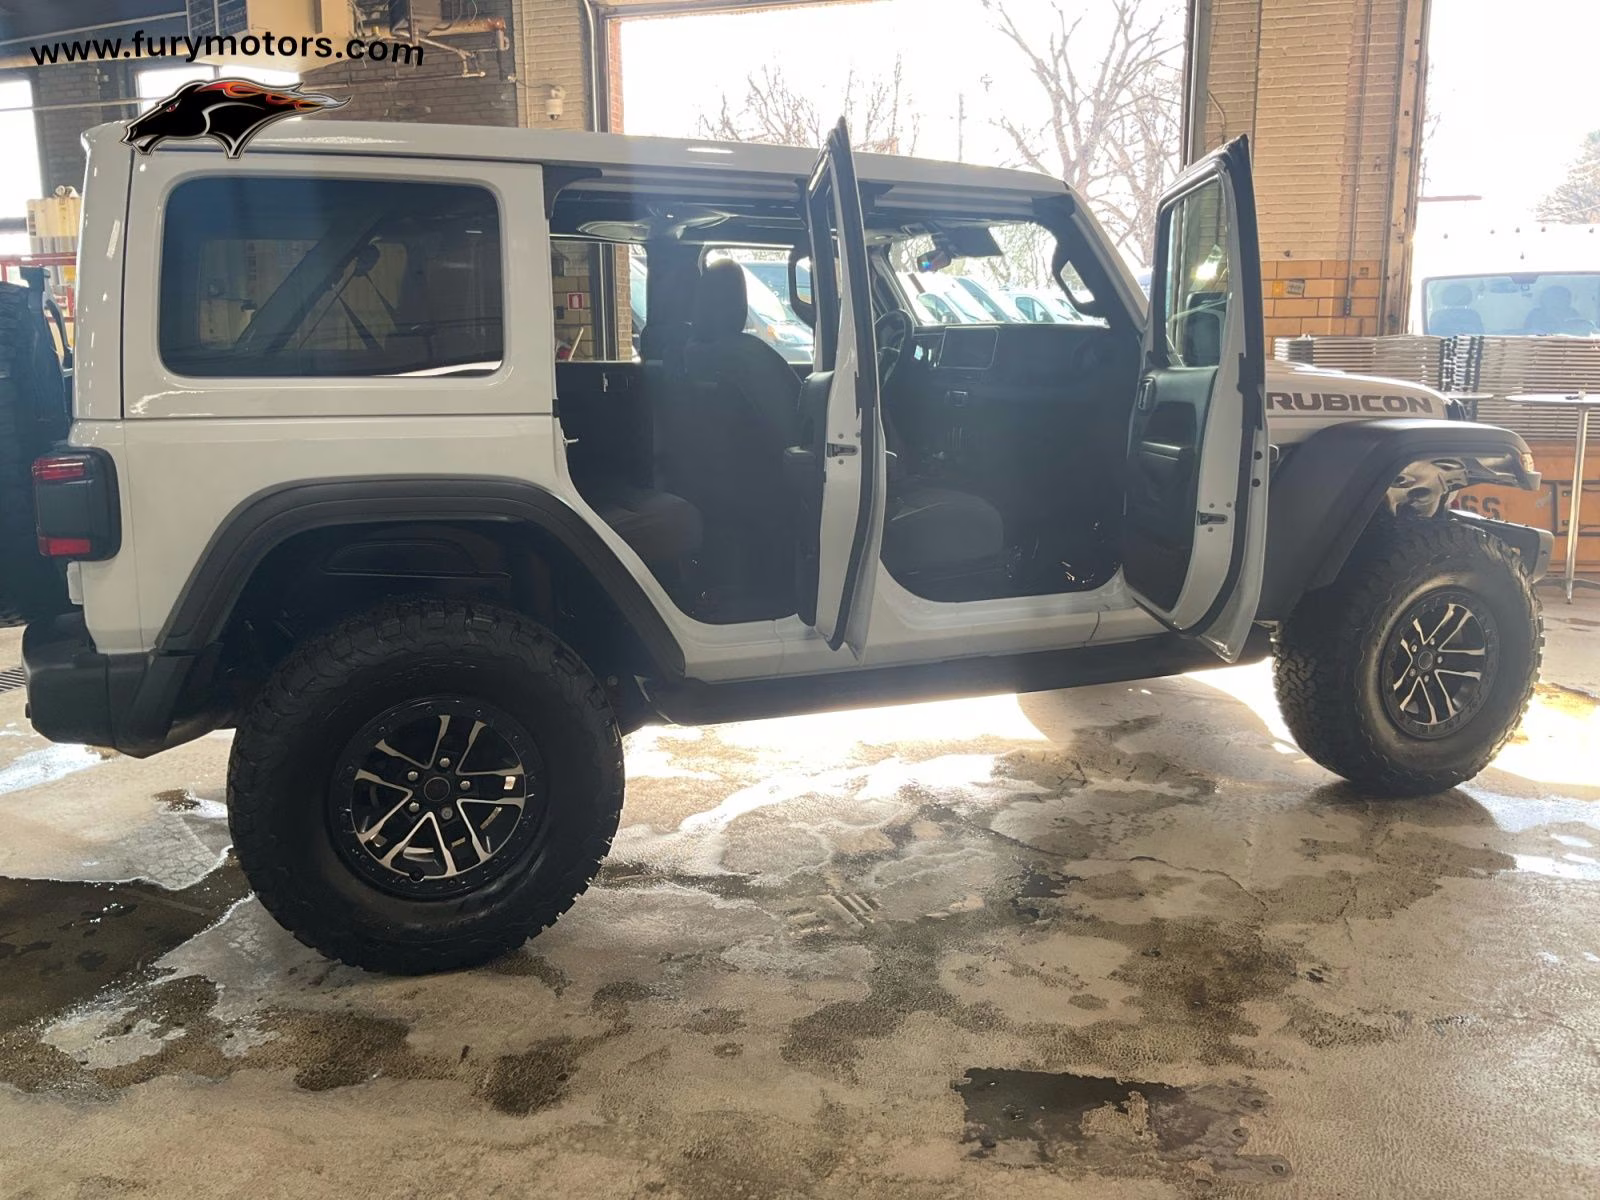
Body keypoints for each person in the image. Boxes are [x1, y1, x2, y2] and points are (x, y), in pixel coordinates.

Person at [1523, 283, 1595, 335]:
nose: (1557, 301)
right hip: (1538, 348)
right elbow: (1527, 333)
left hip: (1570, 348)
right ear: (1544, 299)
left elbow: (1580, 333)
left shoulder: (1572, 313)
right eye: (1553, 298)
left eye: (1561, 298)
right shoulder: (1535, 314)